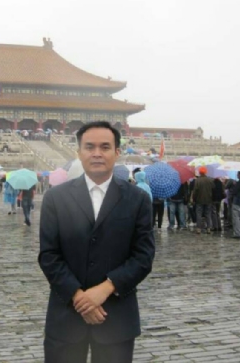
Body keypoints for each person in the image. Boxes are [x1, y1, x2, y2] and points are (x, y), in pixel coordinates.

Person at [38, 121, 155, 363]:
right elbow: (49, 255)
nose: (97, 153)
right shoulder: (56, 198)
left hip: (116, 316)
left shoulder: (138, 199)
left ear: (117, 152)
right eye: (90, 147)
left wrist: (105, 289)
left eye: (105, 147)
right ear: (79, 152)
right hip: (66, 315)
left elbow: (143, 257)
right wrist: (79, 297)